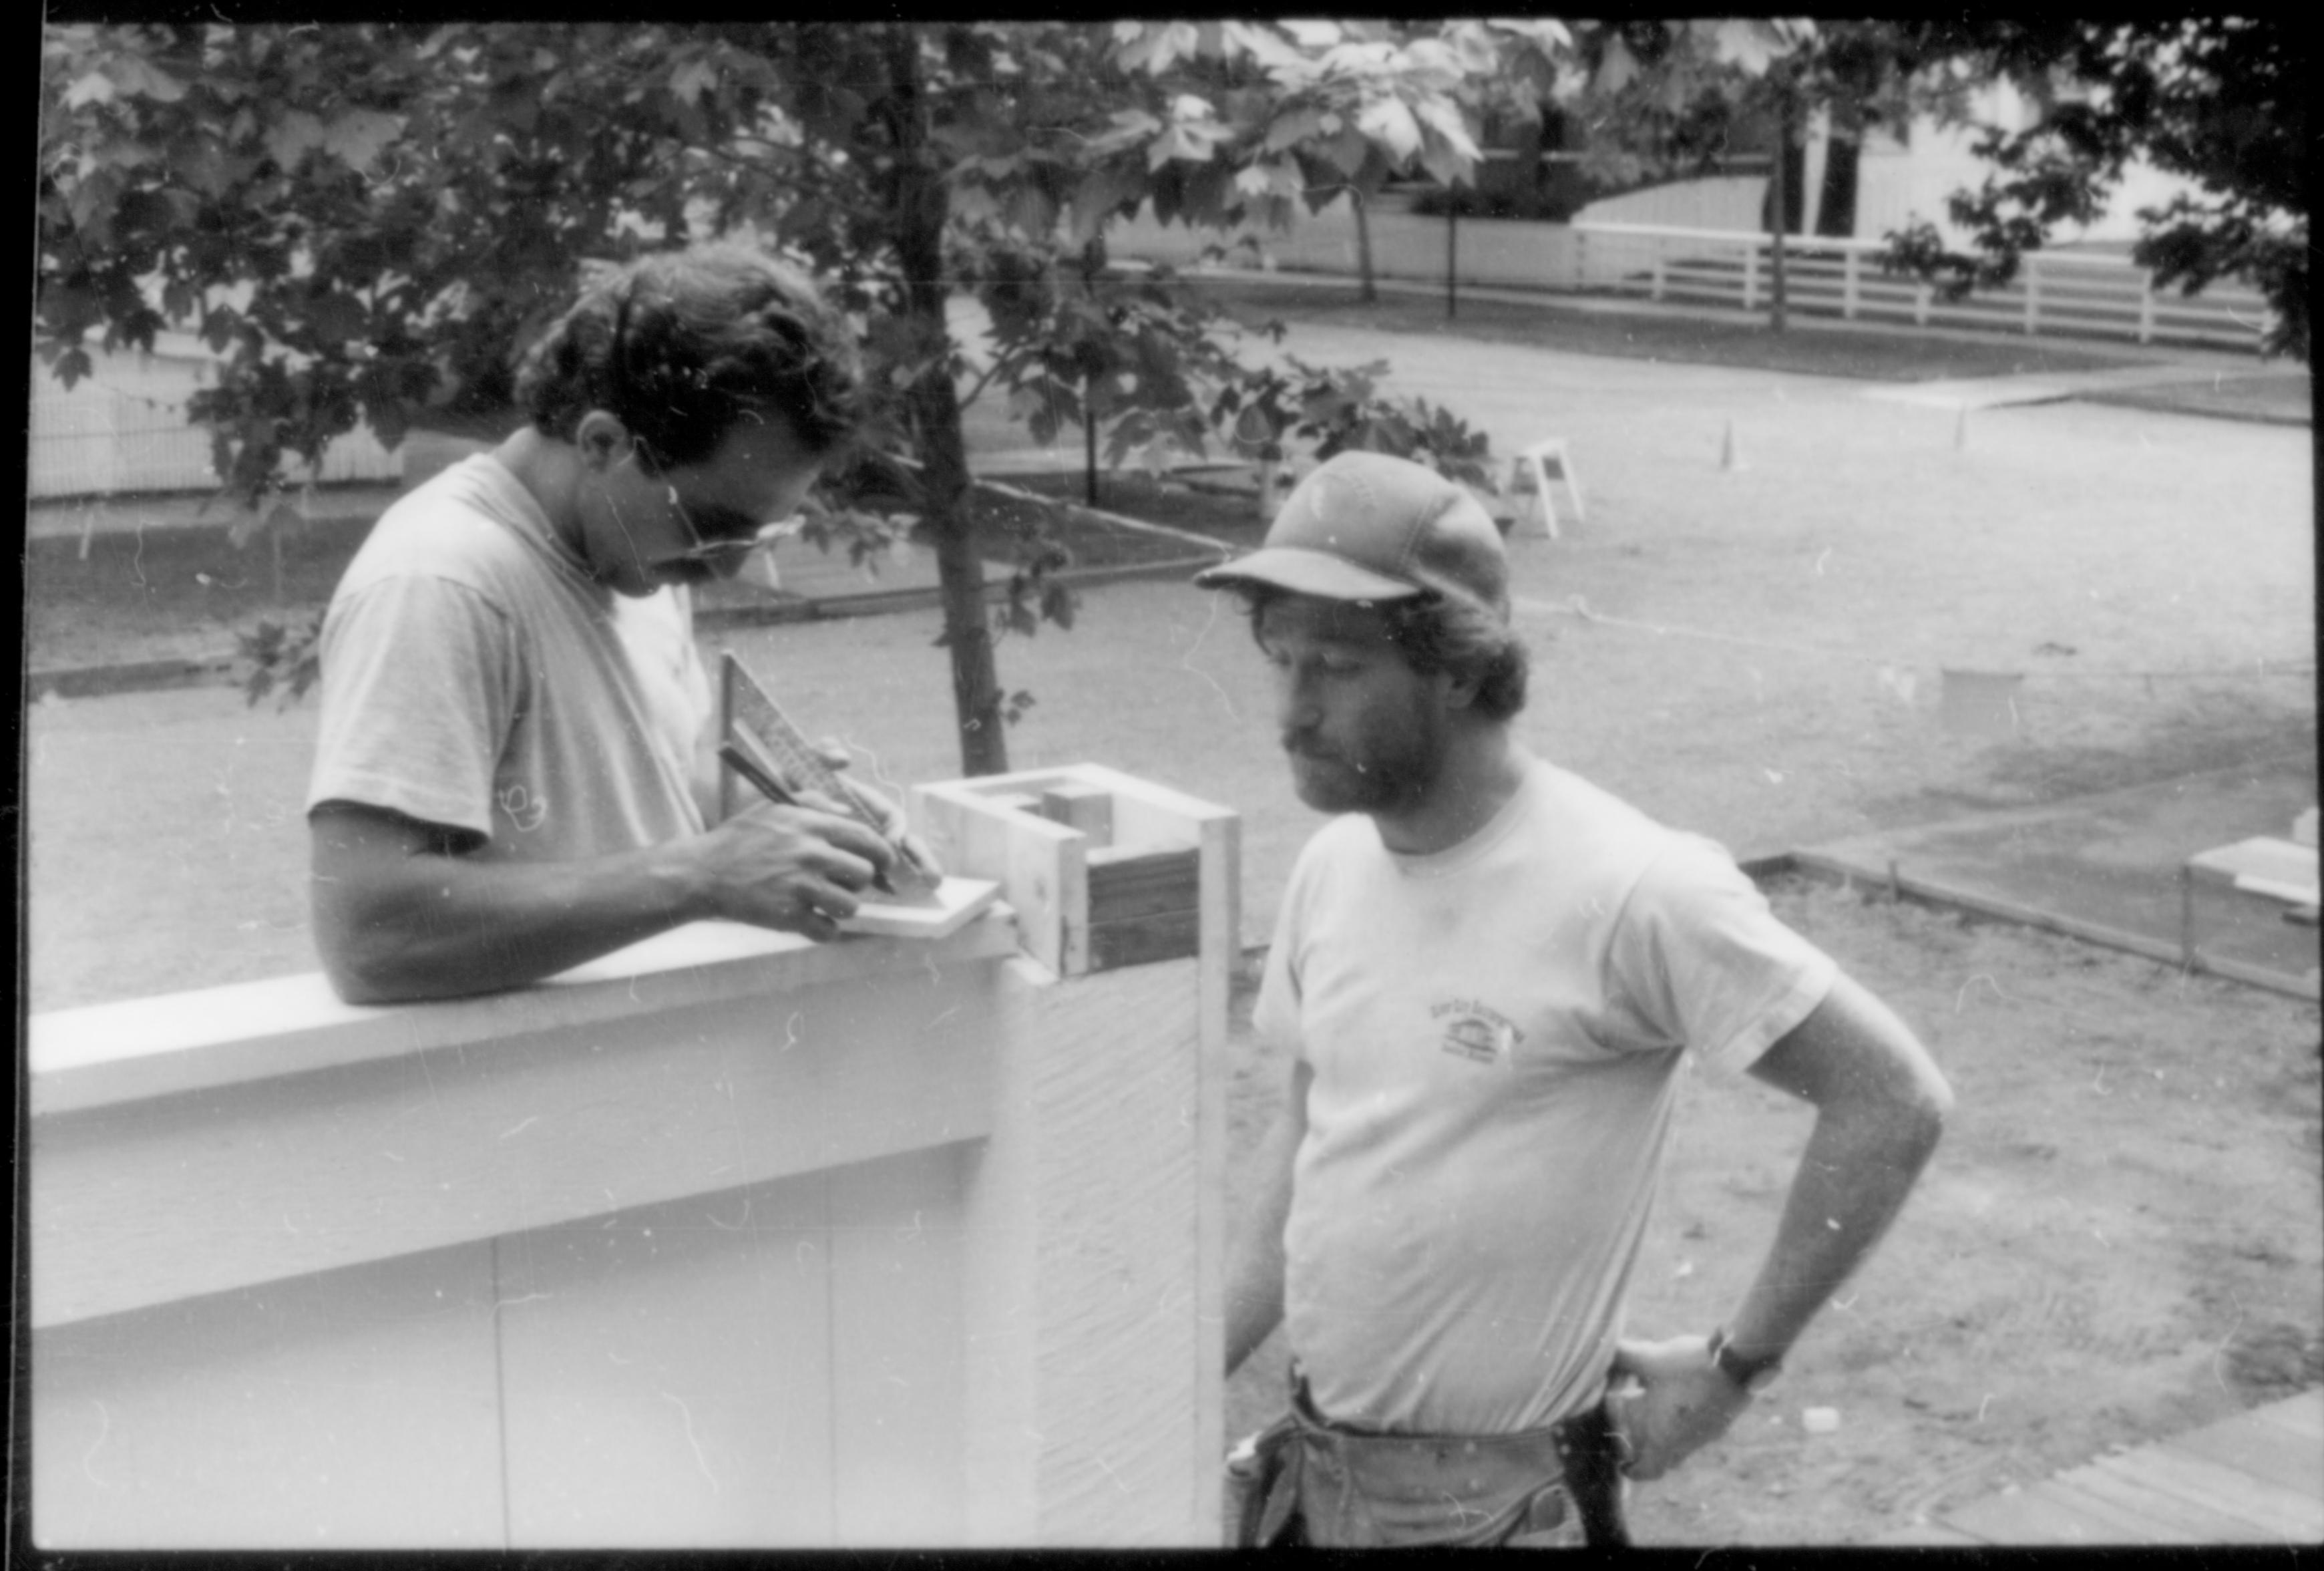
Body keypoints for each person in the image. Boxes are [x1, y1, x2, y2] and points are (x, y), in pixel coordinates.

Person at [1194, 451, 1953, 1548]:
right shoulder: (1332, 868)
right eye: (1282, 659)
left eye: (1339, 668)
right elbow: (1306, 1149)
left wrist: (1736, 1367)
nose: (1292, 713)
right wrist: (1172, 1381)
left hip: (1507, 1514)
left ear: (1457, 667)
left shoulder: (1634, 886)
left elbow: (1892, 1097)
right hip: (1313, 1490)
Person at [307, 242, 930, 1004]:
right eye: (712, 524)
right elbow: (368, 936)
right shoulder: (440, 582)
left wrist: (783, 828)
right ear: (602, 442)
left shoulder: (636, 554)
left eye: (757, 537)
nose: (727, 569)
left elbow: (644, 792)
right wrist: (704, 875)